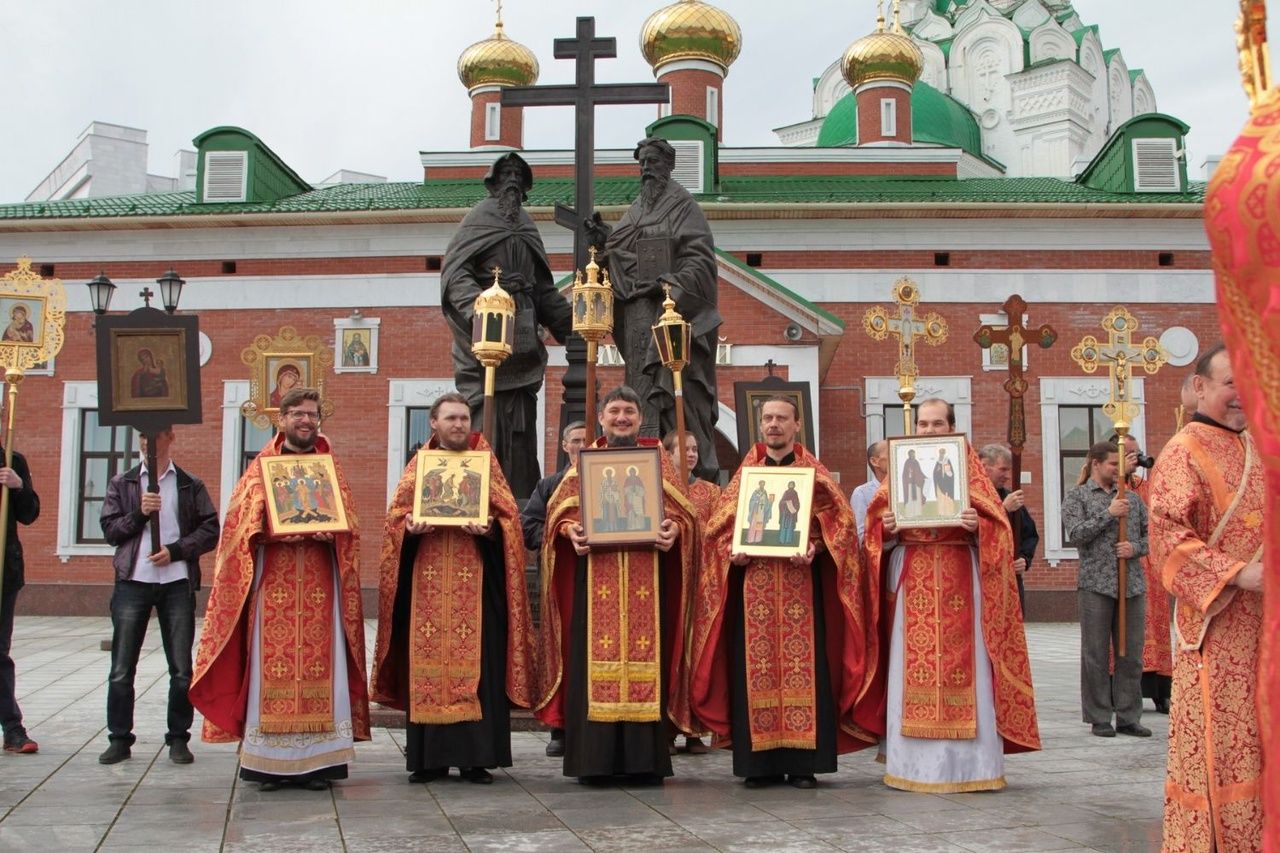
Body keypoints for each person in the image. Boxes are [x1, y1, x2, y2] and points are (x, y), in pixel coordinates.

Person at [690, 397, 877, 789]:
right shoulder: (745, 476)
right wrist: (732, 553)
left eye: (781, 419)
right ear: (761, 426)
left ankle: (804, 763)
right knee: (753, 671)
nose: (773, 425)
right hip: (753, 589)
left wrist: (816, 545)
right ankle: (759, 766)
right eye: (768, 418)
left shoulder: (816, 475)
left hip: (800, 591)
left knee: (804, 670)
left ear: (796, 426)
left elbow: (841, 528)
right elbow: (717, 533)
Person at [190, 388, 370, 791]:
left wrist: (335, 533)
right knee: (269, 669)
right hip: (275, 586)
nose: (305, 420)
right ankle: (269, 765)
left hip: (322, 585)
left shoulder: (330, 469)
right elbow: (237, 528)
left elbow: (352, 527)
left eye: (312, 414)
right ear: (281, 420)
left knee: (323, 669)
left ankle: (318, 765)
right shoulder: (261, 469)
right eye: (297, 413)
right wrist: (268, 532)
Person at [863, 398, 1040, 792]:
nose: (928, 431)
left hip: (962, 574)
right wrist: (886, 527)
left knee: (970, 663)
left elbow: (1001, 531)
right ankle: (913, 765)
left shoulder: (971, 470)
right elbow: (873, 530)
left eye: (937, 424)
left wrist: (980, 526)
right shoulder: (899, 468)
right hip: (914, 578)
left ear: (952, 427)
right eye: (922, 424)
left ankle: (970, 767)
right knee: (910, 664)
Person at [532, 386, 698, 785]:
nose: (622, 418)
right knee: (591, 668)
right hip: (596, 581)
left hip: (648, 580)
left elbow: (685, 514)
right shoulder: (586, 461)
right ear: (602, 418)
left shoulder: (657, 459)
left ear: (640, 419)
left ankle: (646, 763)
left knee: (649, 664)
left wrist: (675, 529)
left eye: (629, 412)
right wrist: (570, 530)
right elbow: (557, 514)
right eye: (614, 412)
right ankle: (593, 761)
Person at [371, 393, 535, 785]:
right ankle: (429, 759)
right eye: (451, 418)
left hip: (476, 585)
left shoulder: (486, 465)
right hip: (425, 585)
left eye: (464, 418)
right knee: (426, 669)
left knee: (479, 668)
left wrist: (491, 530)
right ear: (434, 423)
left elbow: (509, 519)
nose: (459, 424)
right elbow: (394, 521)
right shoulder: (419, 468)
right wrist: (408, 530)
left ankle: (476, 758)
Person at [1148, 344, 1265, 851]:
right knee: (1225, 745)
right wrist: (1239, 574)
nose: (1241, 397)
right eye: (1230, 384)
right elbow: (1166, 535)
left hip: (1269, 627)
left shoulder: (1261, 446)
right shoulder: (1183, 450)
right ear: (1200, 386)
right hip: (1219, 629)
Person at [585, 138, 721, 478]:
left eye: (653, 162)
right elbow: (618, 253)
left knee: (680, 399)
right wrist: (603, 241)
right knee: (640, 391)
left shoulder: (683, 206)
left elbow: (701, 265)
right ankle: (644, 464)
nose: (647, 169)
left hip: (674, 323)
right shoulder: (637, 209)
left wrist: (665, 285)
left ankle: (688, 474)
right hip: (637, 318)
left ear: (669, 166)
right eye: (642, 163)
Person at [441, 151, 573, 499]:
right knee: (486, 424)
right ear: (494, 181)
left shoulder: (527, 225)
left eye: (518, 174)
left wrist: (572, 326)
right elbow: (456, 274)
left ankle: (519, 508)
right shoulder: (478, 219)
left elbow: (543, 289)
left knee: (521, 434)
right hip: (486, 345)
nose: (512, 180)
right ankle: (479, 501)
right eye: (506, 173)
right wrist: (481, 309)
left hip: (524, 342)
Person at [97, 428, 219, 765]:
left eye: (153, 436)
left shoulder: (188, 484)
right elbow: (109, 530)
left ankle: (178, 738)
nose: (147, 443)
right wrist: (139, 513)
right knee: (122, 666)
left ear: (170, 437)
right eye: (141, 438)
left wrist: (177, 550)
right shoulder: (123, 483)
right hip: (132, 582)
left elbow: (210, 529)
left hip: (176, 583)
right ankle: (119, 738)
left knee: (181, 668)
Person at [1062, 441, 1151, 738]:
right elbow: (1075, 535)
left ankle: (1128, 715)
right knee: (1095, 653)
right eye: (1113, 463)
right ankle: (1099, 715)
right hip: (1096, 584)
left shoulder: (1134, 500)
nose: (1118, 469)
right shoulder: (1078, 496)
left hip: (1132, 585)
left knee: (1131, 653)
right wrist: (1108, 514)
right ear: (1096, 463)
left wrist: (1134, 548)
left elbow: (1151, 538)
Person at [521, 421, 586, 759]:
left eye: (587, 440)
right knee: (561, 651)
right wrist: (561, 531)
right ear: (564, 445)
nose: (581, 445)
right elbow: (528, 526)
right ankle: (559, 727)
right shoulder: (550, 485)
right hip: (561, 581)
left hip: (601, 582)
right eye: (575, 440)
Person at [660, 430, 717, 756]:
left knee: (697, 655)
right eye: (683, 448)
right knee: (671, 654)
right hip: (673, 584)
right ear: (667, 454)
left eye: (695, 448)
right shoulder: (662, 491)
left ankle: (696, 730)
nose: (692, 454)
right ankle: (667, 729)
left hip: (702, 584)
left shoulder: (710, 492)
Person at [0, 423, 40, 755]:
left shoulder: (12, 460)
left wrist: (18, 485)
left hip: (3, 571)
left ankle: (13, 729)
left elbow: (30, 513)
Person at [978, 444, 1040, 615]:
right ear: (983, 465)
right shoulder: (972, 497)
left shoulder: (1009, 496)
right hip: (981, 578)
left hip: (1010, 579)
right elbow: (974, 531)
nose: (1007, 476)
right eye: (1003, 469)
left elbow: (1029, 534)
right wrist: (1002, 510)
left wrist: (1024, 558)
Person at [849, 440, 888, 543]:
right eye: (890, 452)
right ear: (875, 461)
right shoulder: (862, 493)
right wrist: (886, 532)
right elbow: (860, 537)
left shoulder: (905, 489)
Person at [900, 449, 926, 518]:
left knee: (917, 498)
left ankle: (917, 512)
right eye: (912, 454)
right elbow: (904, 474)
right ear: (909, 455)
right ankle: (910, 513)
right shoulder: (907, 462)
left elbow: (919, 471)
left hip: (917, 483)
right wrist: (909, 475)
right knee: (911, 498)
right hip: (910, 484)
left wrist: (924, 477)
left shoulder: (916, 462)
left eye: (914, 454)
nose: (913, 455)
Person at [933, 446, 956, 515]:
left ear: (944, 453)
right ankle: (941, 512)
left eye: (942, 453)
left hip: (947, 483)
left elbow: (950, 473)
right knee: (941, 498)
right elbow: (935, 473)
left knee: (947, 498)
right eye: (940, 453)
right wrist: (937, 471)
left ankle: (949, 512)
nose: (941, 454)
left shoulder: (947, 461)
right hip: (939, 483)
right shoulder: (938, 462)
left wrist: (948, 472)